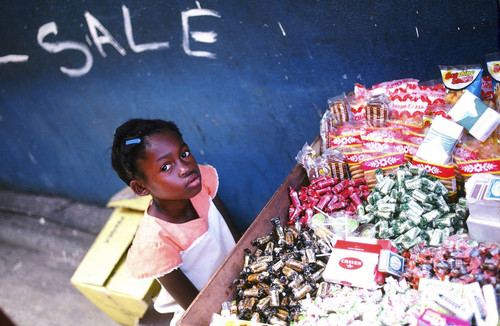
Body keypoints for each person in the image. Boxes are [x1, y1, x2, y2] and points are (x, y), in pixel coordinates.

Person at [110, 118, 240, 324]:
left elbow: (239, 243)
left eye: (184, 154)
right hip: (211, 313)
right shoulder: (155, 244)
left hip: (243, 276)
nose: (185, 167)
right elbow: (198, 308)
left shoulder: (200, 182)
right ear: (141, 188)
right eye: (166, 167)